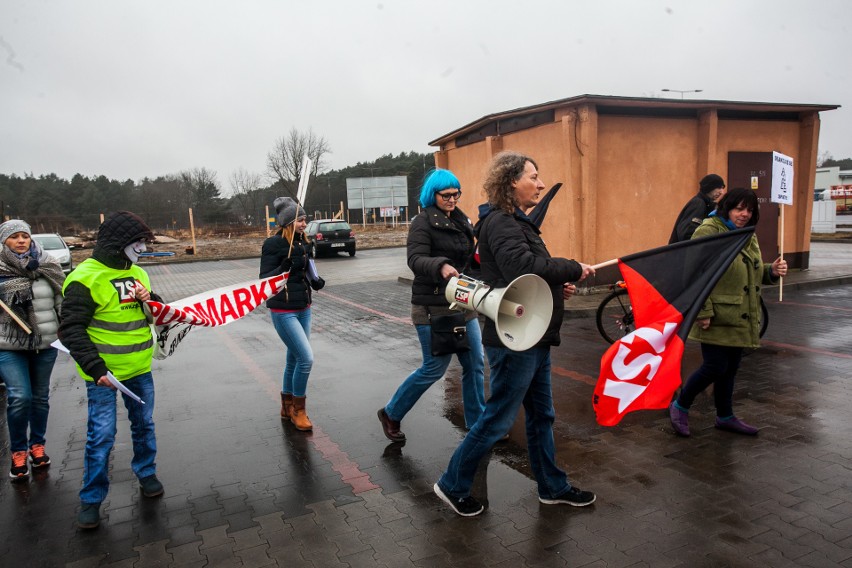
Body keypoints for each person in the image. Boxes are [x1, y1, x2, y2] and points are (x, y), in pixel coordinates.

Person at [434, 151, 596, 517]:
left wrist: (557, 287)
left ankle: (552, 488)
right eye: (533, 177)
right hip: (515, 341)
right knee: (497, 420)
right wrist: (570, 267)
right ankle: (451, 484)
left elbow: (524, 279)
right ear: (511, 182)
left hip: (532, 335)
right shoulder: (503, 223)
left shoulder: (514, 222)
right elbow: (522, 265)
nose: (539, 184)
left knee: (542, 416)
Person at [59, 211, 164, 529]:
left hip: (140, 370)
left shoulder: (139, 275)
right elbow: (71, 330)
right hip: (104, 376)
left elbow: (151, 316)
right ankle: (91, 499)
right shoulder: (84, 278)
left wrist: (153, 301)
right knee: (101, 437)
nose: (142, 250)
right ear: (119, 244)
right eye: (138, 243)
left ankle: (146, 473)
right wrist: (94, 367)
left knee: (144, 426)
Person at [377, 169, 486, 442]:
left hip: (462, 301)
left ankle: (477, 424)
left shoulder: (462, 220)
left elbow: (469, 260)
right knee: (434, 368)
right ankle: (391, 412)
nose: (452, 199)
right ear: (432, 194)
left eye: (456, 194)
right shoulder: (421, 223)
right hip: (432, 306)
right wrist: (441, 265)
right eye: (446, 195)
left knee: (475, 363)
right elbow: (415, 259)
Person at [669, 188, 787, 437]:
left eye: (749, 210)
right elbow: (694, 272)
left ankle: (725, 416)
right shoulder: (710, 230)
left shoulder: (747, 235)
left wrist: (771, 271)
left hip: (740, 314)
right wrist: (703, 310)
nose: (744, 214)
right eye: (739, 209)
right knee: (714, 366)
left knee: (730, 368)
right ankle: (680, 406)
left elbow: (751, 270)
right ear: (727, 208)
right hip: (716, 316)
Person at [0, 220, 65, 481]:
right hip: (8, 345)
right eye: (14, 237)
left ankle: (37, 446)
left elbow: (62, 298)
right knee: (19, 397)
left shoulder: (47, 264)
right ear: (5, 241)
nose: (20, 240)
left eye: (24, 236)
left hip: (45, 343)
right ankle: (18, 451)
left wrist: (69, 330)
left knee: (39, 398)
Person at [261, 197, 325, 432]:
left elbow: (308, 272)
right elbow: (264, 280)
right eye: (300, 220)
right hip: (283, 310)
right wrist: (282, 269)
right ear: (288, 222)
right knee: (306, 359)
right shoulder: (273, 245)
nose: (304, 224)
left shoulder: (303, 243)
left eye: (304, 219)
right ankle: (299, 410)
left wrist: (315, 282)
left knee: (293, 359)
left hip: (303, 308)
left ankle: (287, 406)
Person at [668, 174, 727, 243]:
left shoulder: (706, 205)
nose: (722, 192)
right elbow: (687, 234)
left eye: (723, 188)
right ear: (709, 187)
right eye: (719, 188)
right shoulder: (698, 203)